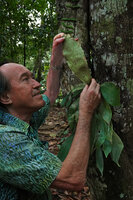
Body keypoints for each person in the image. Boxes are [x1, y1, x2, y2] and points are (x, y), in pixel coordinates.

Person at [0, 33, 101, 200]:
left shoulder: (23, 117)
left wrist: (56, 59)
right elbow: (73, 179)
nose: (37, 84)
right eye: (25, 80)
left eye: (33, 77)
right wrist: (86, 112)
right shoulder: (5, 140)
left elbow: (51, 94)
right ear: (5, 97)